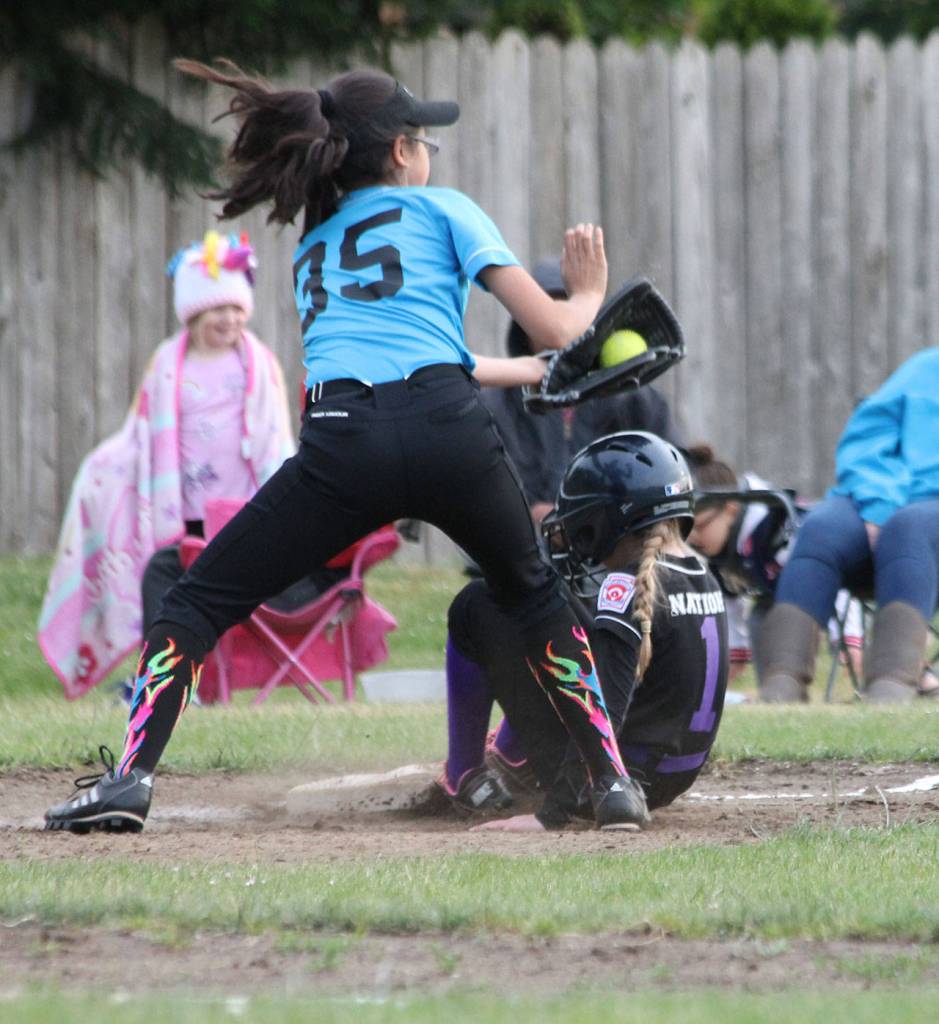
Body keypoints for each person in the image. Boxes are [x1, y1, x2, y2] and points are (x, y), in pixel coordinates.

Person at [44, 61, 647, 833]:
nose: (427, 153)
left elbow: (389, 352)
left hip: (344, 444)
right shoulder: (445, 208)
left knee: (194, 602)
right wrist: (588, 291)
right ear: (399, 151)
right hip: (449, 433)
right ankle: (610, 783)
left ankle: (130, 779)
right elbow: (554, 329)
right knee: (534, 597)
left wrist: (522, 371)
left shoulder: (314, 244)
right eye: (423, 140)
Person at [37, 231, 294, 700]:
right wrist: (102, 471)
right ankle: (164, 678)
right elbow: (142, 436)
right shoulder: (168, 365)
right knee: (164, 577)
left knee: (195, 581)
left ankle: (175, 679)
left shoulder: (257, 366)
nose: (229, 319)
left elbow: (275, 440)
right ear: (193, 314)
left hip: (243, 514)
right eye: (217, 309)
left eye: (236, 308)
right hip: (183, 515)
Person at [438, 432, 729, 830]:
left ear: (612, 517)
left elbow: (602, 704)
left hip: (612, 782)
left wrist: (554, 813)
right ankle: (512, 755)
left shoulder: (624, 586)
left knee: (479, 602)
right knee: (555, 611)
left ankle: (465, 774)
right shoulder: (703, 576)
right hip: (668, 777)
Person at [758, 348, 939, 703]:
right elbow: (867, 440)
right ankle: (782, 685)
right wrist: (878, 503)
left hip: (920, 520)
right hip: (883, 496)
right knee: (820, 529)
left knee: (909, 528)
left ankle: (891, 688)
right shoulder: (926, 369)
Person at [482, 258, 683, 524]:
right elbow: (476, 491)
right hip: (522, 544)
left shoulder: (637, 401)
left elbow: (677, 479)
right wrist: (526, 515)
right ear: (523, 326)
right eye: (544, 316)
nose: (559, 329)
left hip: (618, 542)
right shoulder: (493, 407)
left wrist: (614, 514)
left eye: (569, 315)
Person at [682, 445, 863, 697]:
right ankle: (775, 695)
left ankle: (786, 690)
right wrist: (736, 652)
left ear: (731, 509)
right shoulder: (720, 548)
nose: (691, 537)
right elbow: (729, 598)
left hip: (814, 597)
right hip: (774, 596)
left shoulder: (775, 528)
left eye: (700, 526)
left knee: (773, 616)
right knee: (760, 615)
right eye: (686, 527)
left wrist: (847, 638)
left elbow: (832, 571)